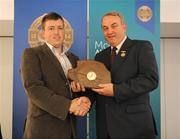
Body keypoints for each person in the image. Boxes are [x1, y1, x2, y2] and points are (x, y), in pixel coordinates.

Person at [71, 11, 159, 139]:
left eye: (114, 26)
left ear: (124, 27)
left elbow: (150, 79)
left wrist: (116, 90)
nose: (109, 31)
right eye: (105, 28)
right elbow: (96, 86)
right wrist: (87, 99)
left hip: (135, 126)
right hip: (106, 127)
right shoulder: (100, 56)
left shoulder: (141, 47)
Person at [20, 12, 91, 139]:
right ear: (43, 33)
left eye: (60, 28)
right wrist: (68, 105)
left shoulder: (74, 59)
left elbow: (73, 90)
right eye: (51, 28)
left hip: (69, 129)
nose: (56, 32)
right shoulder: (32, 54)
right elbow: (34, 88)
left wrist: (81, 96)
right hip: (43, 129)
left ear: (64, 31)